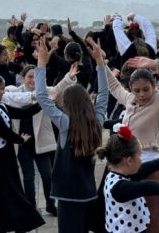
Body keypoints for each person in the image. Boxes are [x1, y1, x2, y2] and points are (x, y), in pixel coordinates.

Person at [35, 36, 108, 233]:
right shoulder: (97, 122)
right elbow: (103, 95)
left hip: (67, 194)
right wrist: (100, 63)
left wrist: (41, 64)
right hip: (88, 191)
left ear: (67, 105)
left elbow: (42, 97)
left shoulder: (66, 123)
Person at [106, 52, 159, 232]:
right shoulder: (130, 100)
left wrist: (155, 64)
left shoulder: (158, 101)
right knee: (134, 220)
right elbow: (113, 86)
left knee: (153, 221)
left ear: (154, 86)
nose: (141, 94)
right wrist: (102, 62)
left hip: (149, 165)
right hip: (127, 168)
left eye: (146, 89)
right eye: (136, 90)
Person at [0, 72, 45, 232]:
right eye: (1, 88)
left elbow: (21, 113)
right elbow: (3, 131)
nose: (4, 91)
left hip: (4, 154)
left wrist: (42, 104)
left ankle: (15, 221)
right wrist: (20, 139)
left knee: (11, 189)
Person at [6, 64, 79, 216]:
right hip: (23, 141)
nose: (32, 80)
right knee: (28, 177)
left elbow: (58, 89)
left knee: (47, 175)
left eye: (35, 77)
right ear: (23, 78)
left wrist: (69, 77)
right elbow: (5, 95)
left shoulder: (44, 91)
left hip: (41, 140)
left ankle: (50, 204)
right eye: (29, 77)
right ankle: (30, 206)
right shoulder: (13, 91)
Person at [98, 126, 159, 233]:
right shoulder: (120, 188)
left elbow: (144, 169)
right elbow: (146, 187)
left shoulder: (117, 174)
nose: (141, 160)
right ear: (129, 160)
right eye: (140, 155)